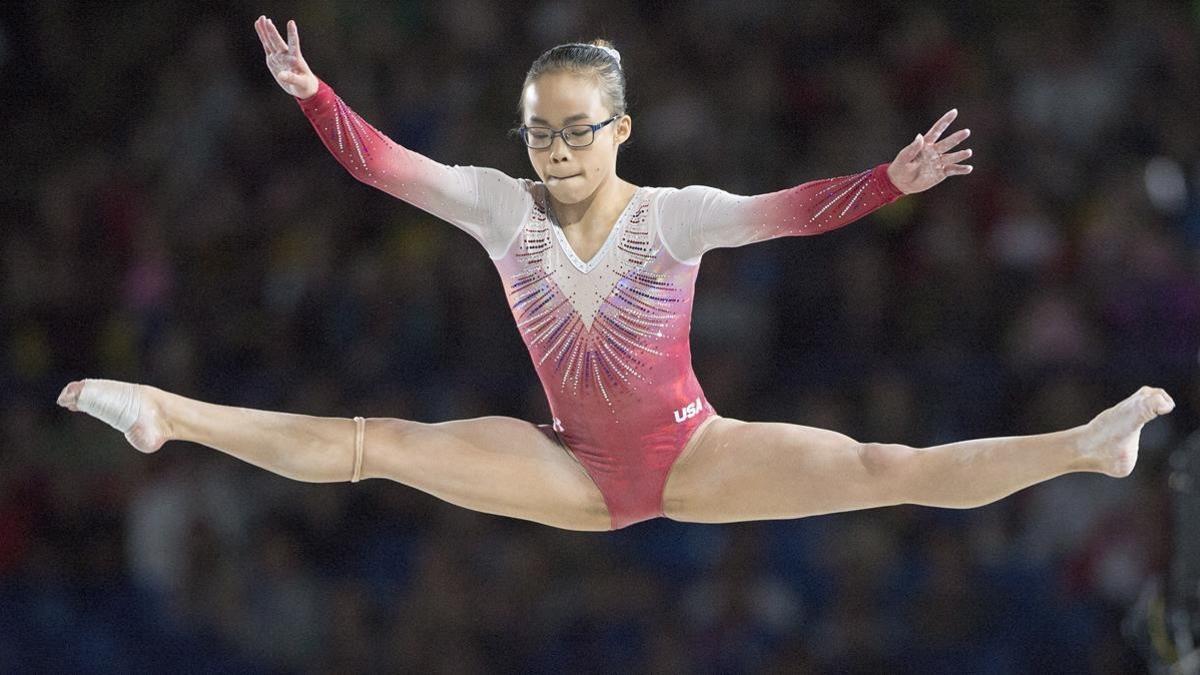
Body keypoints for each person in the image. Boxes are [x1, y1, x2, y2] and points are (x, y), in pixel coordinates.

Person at [58, 16, 1175, 532]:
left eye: (576, 131)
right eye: (538, 133)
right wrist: (313, 94)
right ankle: (168, 415)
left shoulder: (673, 221)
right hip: (571, 471)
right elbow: (379, 165)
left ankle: (1085, 448)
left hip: (694, 453)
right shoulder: (500, 210)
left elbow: (789, 215)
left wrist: (890, 179)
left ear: (621, 129)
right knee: (378, 445)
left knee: (888, 466)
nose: (553, 151)